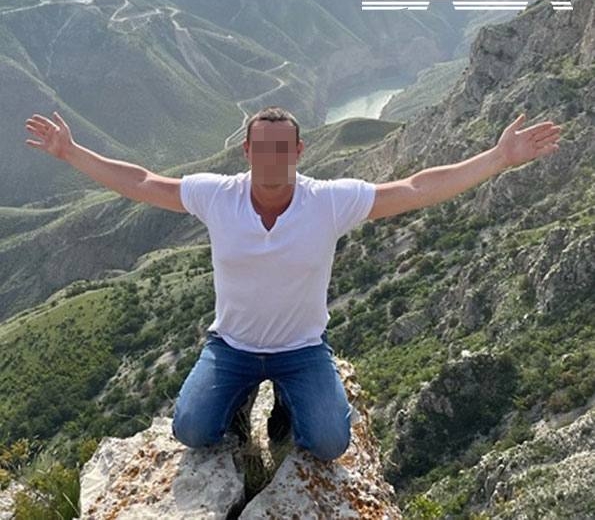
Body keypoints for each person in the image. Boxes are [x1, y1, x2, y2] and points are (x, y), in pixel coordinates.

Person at [24, 105, 561, 461]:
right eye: (263, 148)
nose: (273, 158)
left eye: (283, 148)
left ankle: (287, 401)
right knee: (191, 430)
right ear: (247, 151)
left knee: (328, 443)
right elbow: (142, 181)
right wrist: (71, 152)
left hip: (302, 350)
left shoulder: (327, 202)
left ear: (300, 152)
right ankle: (238, 402)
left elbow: (416, 188)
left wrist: (499, 158)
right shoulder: (217, 196)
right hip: (230, 347)